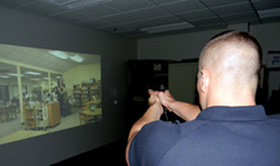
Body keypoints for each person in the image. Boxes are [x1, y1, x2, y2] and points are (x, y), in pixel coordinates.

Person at [126, 31, 280, 166]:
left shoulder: (166, 144)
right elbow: (211, 119)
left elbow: (136, 136)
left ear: (204, 80)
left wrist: (155, 106)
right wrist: (170, 103)